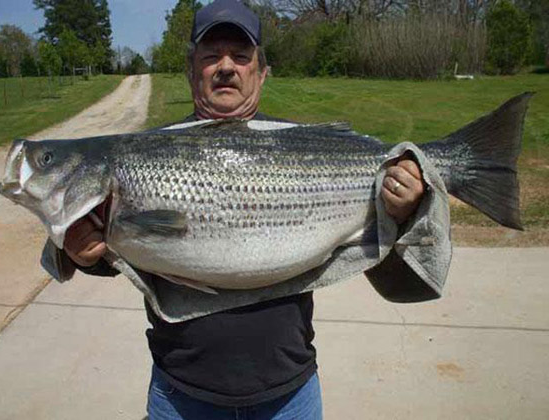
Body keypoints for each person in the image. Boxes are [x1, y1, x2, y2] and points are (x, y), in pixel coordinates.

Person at [55, 0, 425, 418]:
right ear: (192, 72)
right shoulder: (144, 153)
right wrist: (87, 256)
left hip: (291, 394)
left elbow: (380, 247)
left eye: (241, 56)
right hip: (180, 395)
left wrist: (403, 207)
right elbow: (123, 248)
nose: (226, 67)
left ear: (261, 73)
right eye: (211, 56)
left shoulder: (301, 145)